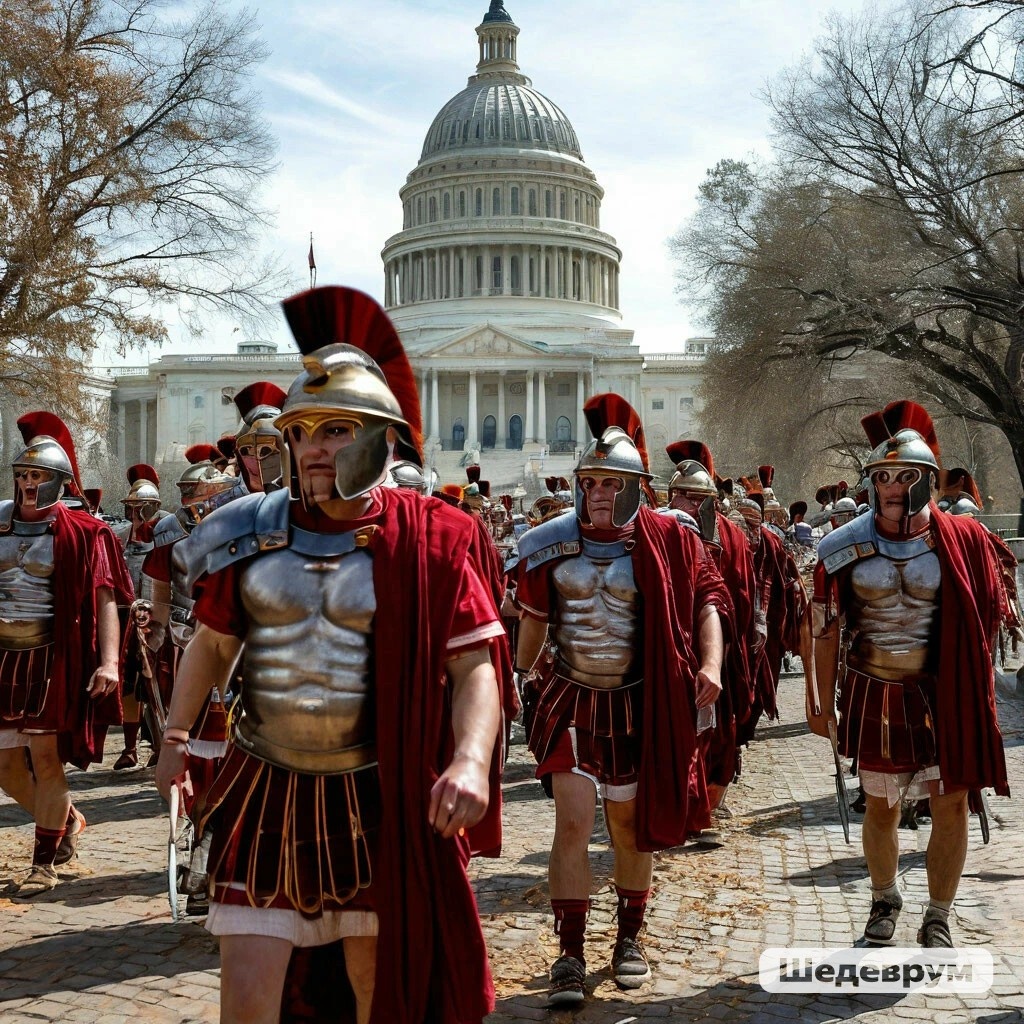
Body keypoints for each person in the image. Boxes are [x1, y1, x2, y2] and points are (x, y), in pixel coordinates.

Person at [155, 285, 510, 1024]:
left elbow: (473, 665)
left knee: (375, 994)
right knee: (246, 1001)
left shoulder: (435, 539)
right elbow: (212, 645)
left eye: (335, 430)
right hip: (264, 786)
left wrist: (471, 760)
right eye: (303, 431)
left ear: (380, 436)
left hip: (377, 791)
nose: (313, 448)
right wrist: (176, 736)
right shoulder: (243, 532)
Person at [514, 394, 729, 1007]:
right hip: (571, 700)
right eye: (591, 482)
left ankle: (629, 937)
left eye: (612, 483)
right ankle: (570, 952)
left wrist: (710, 662)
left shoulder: (670, 540)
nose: (599, 493)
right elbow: (532, 621)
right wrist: (516, 675)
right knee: (573, 822)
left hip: (640, 701)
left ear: (638, 487)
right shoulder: (547, 542)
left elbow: (707, 601)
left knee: (629, 827)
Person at [808, 400, 1013, 948]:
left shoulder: (964, 541)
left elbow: (985, 617)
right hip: (874, 690)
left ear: (927, 479)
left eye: (905, 476)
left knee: (949, 803)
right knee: (882, 803)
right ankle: (884, 898)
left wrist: (978, 691)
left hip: (944, 693)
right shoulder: (842, 547)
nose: (893, 486)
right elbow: (824, 630)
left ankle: (939, 913)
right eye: (883, 476)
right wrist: (818, 701)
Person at [0, 413, 132, 895]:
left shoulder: (85, 532)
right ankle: (67, 821)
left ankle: (43, 863)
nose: (28, 484)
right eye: (22, 474)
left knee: (45, 757)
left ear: (59, 482)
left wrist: (111, 661)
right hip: (3, 656)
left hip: (51, 657)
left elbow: (105, 600)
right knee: (7, 768)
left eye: (38, 476)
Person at [664, 441, 757, 820]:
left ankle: (705, 802)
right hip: (673, 645)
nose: (684, 504)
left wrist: (740, 641)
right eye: (678, 496)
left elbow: (744, 591)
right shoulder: (662, 529)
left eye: (692, 497)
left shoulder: (732, 537)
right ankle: (678, 802)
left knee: (718, 731)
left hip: (722, 646)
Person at [111, 464, 168, 770]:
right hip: (125, 618)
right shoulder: (118, 536)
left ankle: (161, 746)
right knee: (131, 686)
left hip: (159, 619)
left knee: (157, 685)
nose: (135, 514)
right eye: (132, 507)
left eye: (141, 508)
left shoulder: (166, 533)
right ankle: (130, 747)